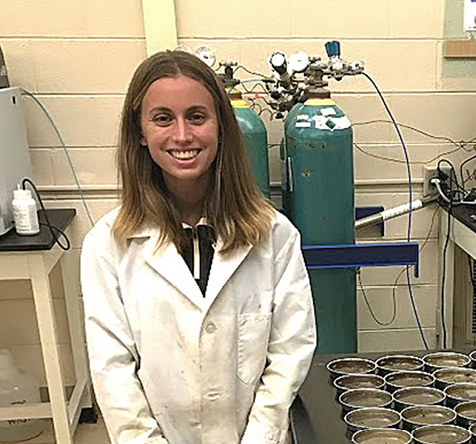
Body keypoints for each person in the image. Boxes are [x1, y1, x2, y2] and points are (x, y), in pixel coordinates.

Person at [81, 50, 316, 444]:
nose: (182, 135)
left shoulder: (275, 236)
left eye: (196, 116)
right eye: (162, 119)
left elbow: (289, 352)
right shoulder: (108, 245)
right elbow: (112, 369)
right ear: (139, 132)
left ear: (221, 126)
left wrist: (260, 437)